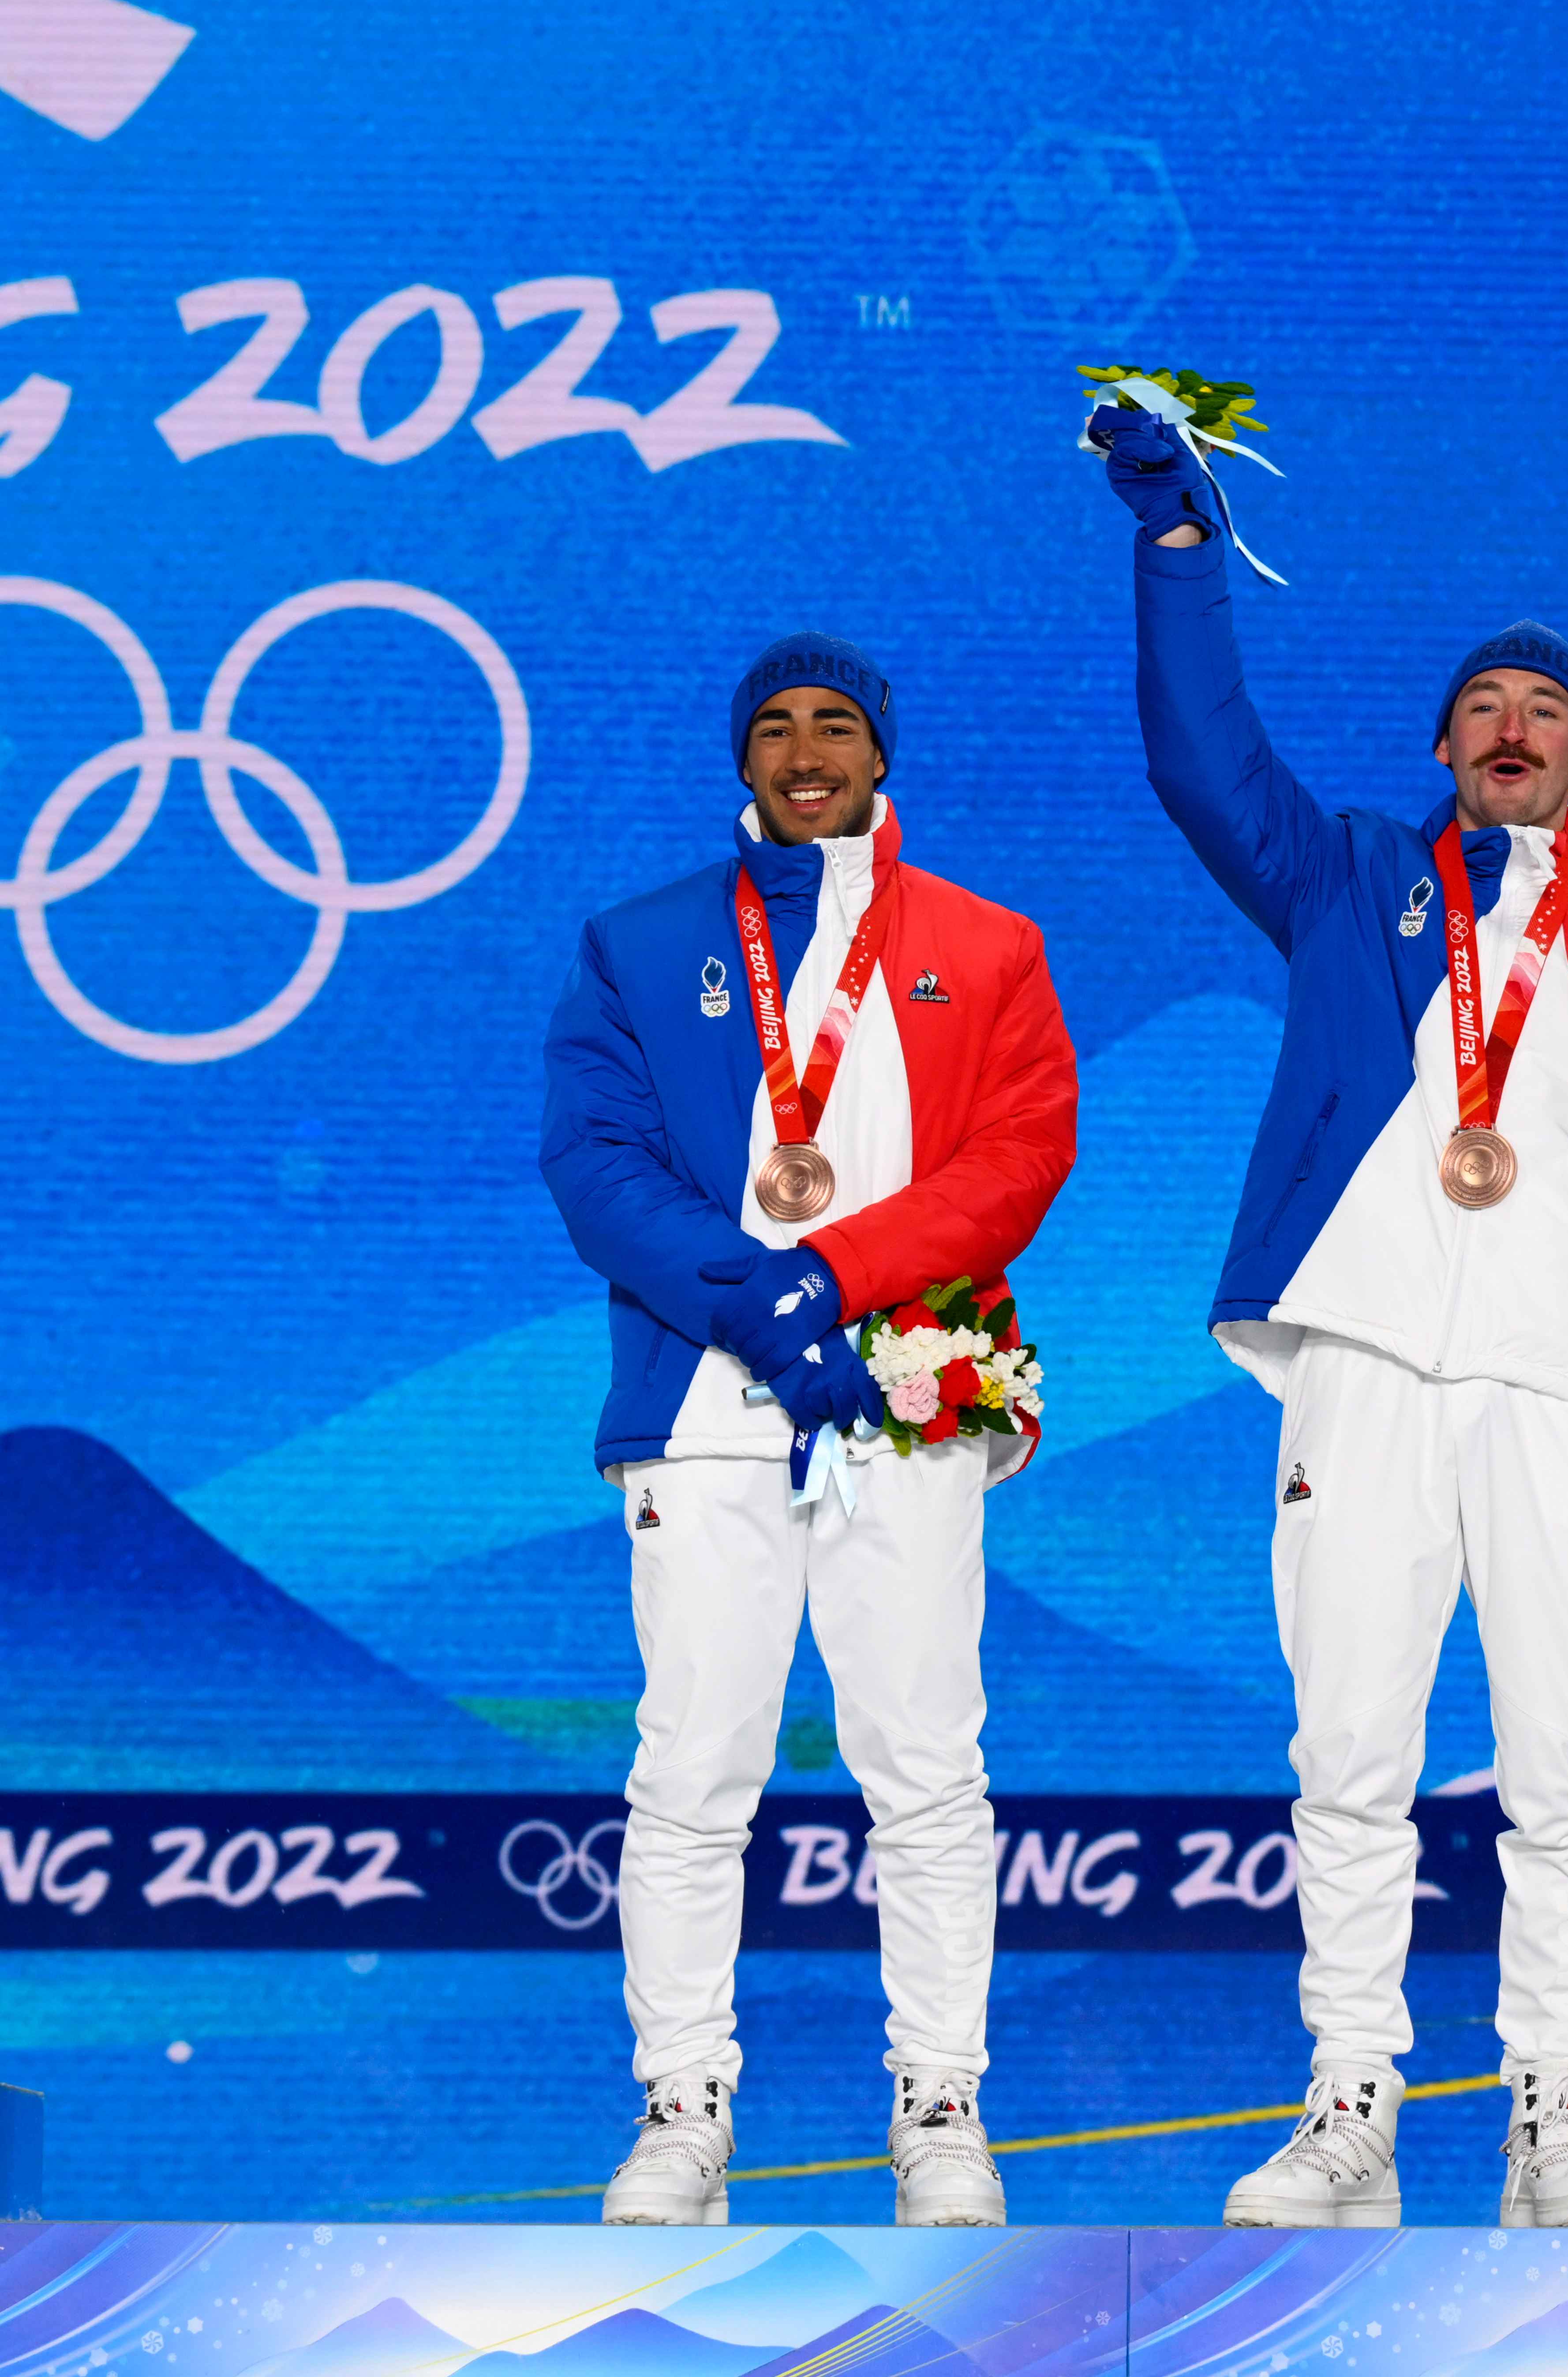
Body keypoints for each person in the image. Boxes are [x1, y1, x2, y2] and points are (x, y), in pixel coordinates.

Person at [1092, 405, 1568, 2229]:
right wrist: (1177, 543)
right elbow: (1204, 758)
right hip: (1363, 1373)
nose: (1510, 729)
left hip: (1551, 1395)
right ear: (1443, 746)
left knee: (1563, 1764)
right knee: (1352, 1749)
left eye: (1543, 713)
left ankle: (1557, 2109)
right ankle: (1350, 2100)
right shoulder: (1352, 885)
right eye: (1482, 709)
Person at [541, 632, 1079, 2228]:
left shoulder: (983, 946)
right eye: (772, 727)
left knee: (923, 1763)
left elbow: (1020, 1153)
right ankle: (684, 2107)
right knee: (695, 1765)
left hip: (908, 1387)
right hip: (705, 1406)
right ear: (744, 763)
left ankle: (940, 2108)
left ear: (878, 753)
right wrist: (760, 1307)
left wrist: (832, 1279)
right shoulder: (639, 944)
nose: (803, 747)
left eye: (834, 723)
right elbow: (595, 1162)